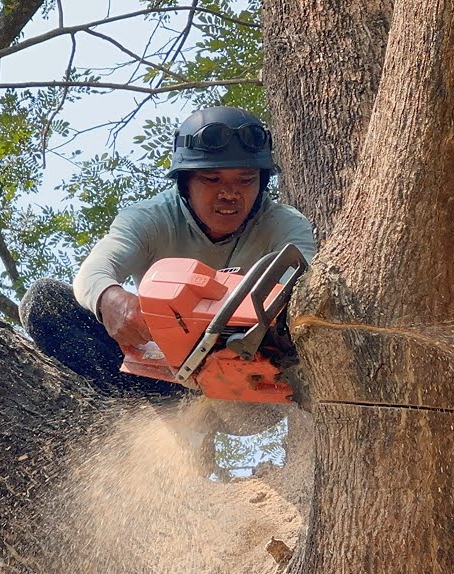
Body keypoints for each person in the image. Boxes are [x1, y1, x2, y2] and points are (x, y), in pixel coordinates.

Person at [20, 106, 317, 399]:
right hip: (161, 374)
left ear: (262, 182)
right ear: (185, 182)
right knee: (44, 301)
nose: (229, 193)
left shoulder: (284, 224)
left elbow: (309, 296)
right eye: (212, 179)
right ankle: (137, 412)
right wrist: (111, 300)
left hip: (253, 377)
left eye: (246, 179)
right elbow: (94, 270)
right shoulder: (149, 218)